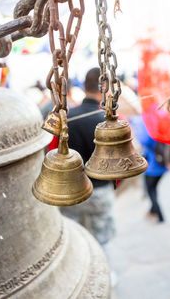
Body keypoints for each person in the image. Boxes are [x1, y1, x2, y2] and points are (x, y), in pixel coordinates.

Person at [60, 67, 116, 246]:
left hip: (72, 191)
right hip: (99, 191)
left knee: (75, 242)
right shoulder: (108, 122)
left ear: (84, 86)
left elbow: (55, 152)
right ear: (105, 88)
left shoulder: (66, 118)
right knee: (102, 243)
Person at [130, 115, 168, 222]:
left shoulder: (141, 121)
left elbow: (144, 140)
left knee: (150, 191)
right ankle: (152, 212)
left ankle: (160, 216)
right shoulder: (155, 118)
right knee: (153, 189)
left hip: (152, 165)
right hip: (160, 163)